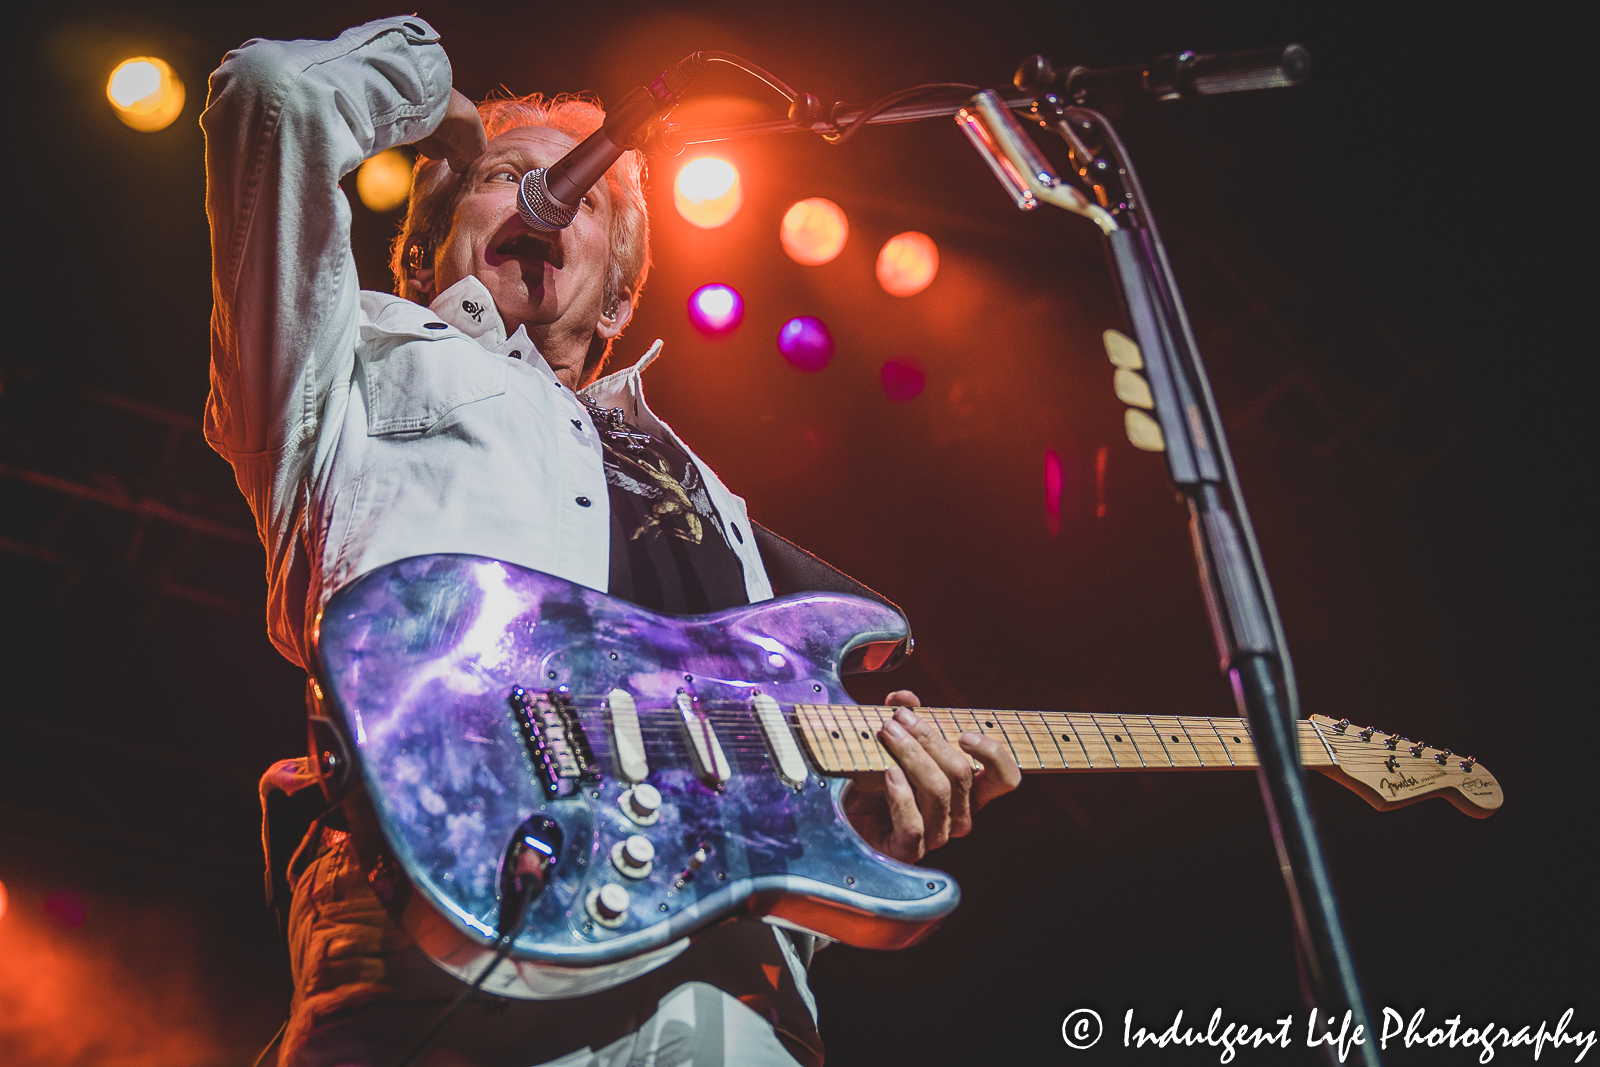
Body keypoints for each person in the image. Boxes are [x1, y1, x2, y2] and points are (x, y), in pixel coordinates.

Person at [203, 15, 1020, 1066]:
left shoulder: (711, 500)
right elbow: (274, 94)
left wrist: (876, 803)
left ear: (622, 291)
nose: (546, 197)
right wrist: (434, 99)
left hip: (722, 989)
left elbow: (769, 803)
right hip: (437, 929)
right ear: (428, 238)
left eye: (584, 196)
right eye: (503, 177)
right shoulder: (346, 359)